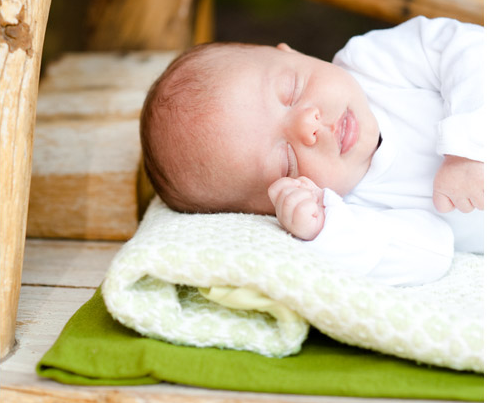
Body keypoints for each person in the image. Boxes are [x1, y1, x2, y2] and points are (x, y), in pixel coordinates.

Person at [140, 16, 484, 286]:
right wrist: (329, 231)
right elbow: (433, 254)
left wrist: (468, 148)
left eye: (292, 90)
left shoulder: (372, 63)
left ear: (293, 54)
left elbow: (469, 48)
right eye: (287, 162)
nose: (309, 127)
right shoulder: (354, 209)